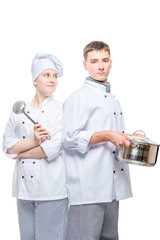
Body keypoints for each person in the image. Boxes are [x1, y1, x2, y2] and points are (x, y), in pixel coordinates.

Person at [62, 41, 133, 240]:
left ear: (111, 62)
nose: (100, 66)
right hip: (88, 187)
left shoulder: (113, 99)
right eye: (94, 61)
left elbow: (116, 138)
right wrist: (106, 135)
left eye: (104, 60)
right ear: (85, 65)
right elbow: (68, 138)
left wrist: (131, 138)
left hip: (111, 186)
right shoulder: (80, 97)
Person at [3, 53, 68, 240]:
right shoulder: (20, 110)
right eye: (46, 75)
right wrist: (34, 141)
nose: (52, 80)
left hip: (51, 190)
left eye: (55, 76)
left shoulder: (61, 109)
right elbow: (7, 147)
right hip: (23, 190)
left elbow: (52, 150)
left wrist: (21, 153)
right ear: (35, 80)